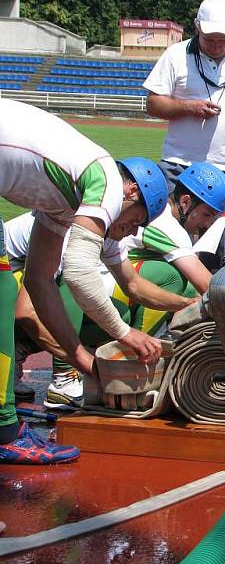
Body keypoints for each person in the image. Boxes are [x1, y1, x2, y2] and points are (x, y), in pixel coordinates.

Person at [0, 99, 171, 464]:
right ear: (131, 194)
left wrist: (82, 359)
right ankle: (4, 431)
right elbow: (78, 272)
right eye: (136, 221)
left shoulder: (65, 202)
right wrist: (125, 334)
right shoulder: (107, 181)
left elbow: (39, 279)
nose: (130, 233)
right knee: (1, 291)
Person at [143, 0, 225, 252]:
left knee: (221, 244)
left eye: (222, 40)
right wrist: (188, 107)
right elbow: (153, 103)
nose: (215, 45)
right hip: (178, 165)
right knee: (169, 240)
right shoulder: (175, 55)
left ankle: (216, 291)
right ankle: (173, 290)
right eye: (209, 39)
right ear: (196, 27)